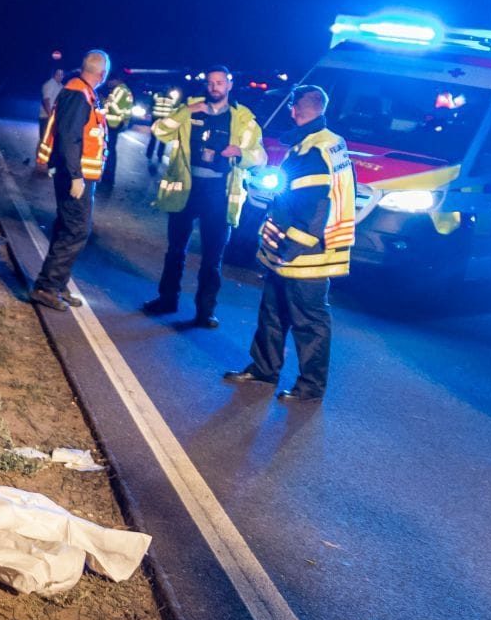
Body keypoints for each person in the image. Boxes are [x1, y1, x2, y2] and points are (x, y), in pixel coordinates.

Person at [223, 85, 355, 402]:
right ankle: (264, 369)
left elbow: (314, 209)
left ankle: (310, 386)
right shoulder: (325, 143)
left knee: (309, 322)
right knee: (273, 312)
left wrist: (289, 250)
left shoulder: (314, 150)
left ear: (295, 108)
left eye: (291, 106)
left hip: (305, 255)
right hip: (295, 252)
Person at [140, 66, 266, 327]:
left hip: (219, 193)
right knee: (175, 250)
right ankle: (167, 300)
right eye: (210, 83)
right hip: (186, 189)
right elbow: (160, 130)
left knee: (212, 258)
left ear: (229, 85)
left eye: (220, 83)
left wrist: (241, 153)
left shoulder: (243, 119)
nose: (214, 87)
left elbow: (261, 157)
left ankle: (205, 311)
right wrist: (185, 112)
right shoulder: (190, 109)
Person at [30, 50, 110, 311]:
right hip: (75, 175)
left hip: (80, 174)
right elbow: (69, 137)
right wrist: (76, 176)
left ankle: (57, 282)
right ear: (102, 73)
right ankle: (47, 286)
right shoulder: (79, 93)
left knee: (69, 227)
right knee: (76, 229)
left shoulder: (84, 91)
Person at [98, 75, 135, 197]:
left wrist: (106, 101)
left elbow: (116, 109)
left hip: (112, 124)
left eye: (110, 80)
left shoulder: (120, 90)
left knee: (110, 152)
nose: (108, 82)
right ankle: (108, 177)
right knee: (110, 151)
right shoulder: (125, 90)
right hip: (115, 124)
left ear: (117, 79)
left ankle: (108, 178)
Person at [146, 80, 183, 173]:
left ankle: (159, 155)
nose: (167, 89)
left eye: (168, 88)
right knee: (153, 138)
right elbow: (151, 104)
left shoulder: (172, 98)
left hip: (165, 121)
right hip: (156, 119)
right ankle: (149, 154)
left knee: (162, 139)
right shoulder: (157, 95)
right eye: (166, 87)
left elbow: (175, 108)